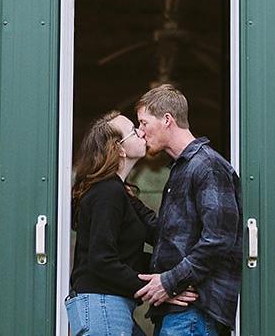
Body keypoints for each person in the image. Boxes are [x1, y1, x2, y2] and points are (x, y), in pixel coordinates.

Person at [68, 110, 199, 336]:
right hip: (103, 305)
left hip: (110, 306)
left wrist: (172, 276)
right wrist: (158, 288)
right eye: (133, 130)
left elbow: (155, 234)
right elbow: (101, 260)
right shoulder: (107, 192)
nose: (141, 132)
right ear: (119, 149)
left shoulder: (119, 192)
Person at [134, 85, 243, 336]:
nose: (140, 132)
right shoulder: (183, 168)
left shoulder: (207, 166)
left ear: (167, 120)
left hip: (194, 312)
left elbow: (218, 240)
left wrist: (169, 282)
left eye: (143, 123)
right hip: (179, 312)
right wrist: (127, 198)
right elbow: (168, 236)